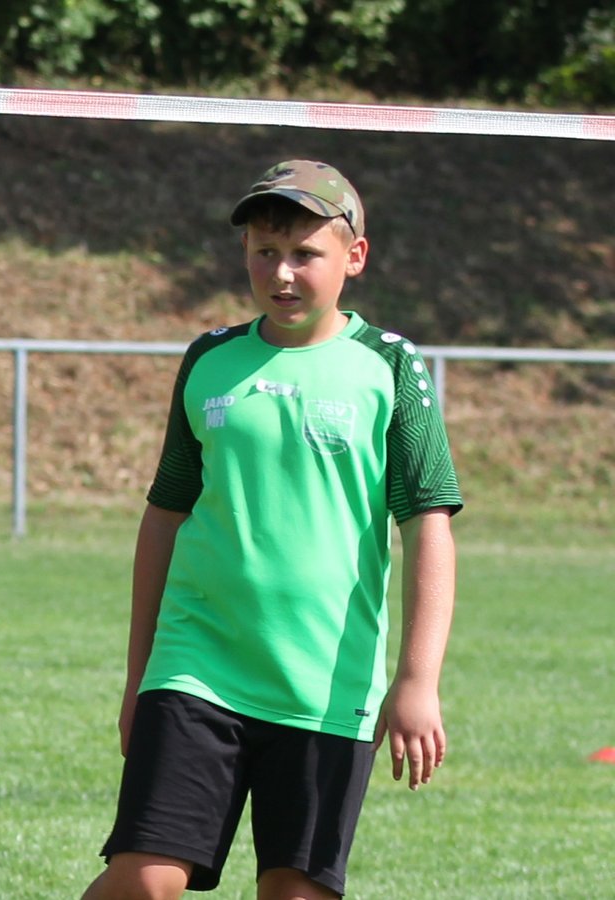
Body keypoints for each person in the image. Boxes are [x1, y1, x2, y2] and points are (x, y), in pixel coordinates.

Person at [81, 160, 462, 900]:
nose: (280, 273)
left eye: (304, 254)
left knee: (295, 892)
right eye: (263, 251)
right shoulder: (210, 360)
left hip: (326, 682)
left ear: (355, 258)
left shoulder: (389, 366)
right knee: (144, 879)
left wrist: (417, 679)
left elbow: (429, 524)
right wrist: (139, 679)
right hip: (197, 667)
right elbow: (165, 516)